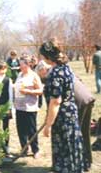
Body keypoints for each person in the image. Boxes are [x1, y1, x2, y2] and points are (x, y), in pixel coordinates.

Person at [36, 61, 95, 171]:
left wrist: (49, 121)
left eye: (40, 75)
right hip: (86, 98)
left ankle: (78, 164)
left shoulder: (53, 75)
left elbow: (53, 100)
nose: (41, 78)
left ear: (43, 69)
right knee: (83, 133)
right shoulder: (63, 70)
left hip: (77, 103)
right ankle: (86, 162)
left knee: (77, 135)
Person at [40, 41, 84, 172]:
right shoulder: (66, 67)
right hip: (71, 111)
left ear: (47, 57)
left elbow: (56, 101)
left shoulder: (55, 74)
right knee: (71, 146)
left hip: (62, 116)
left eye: (43, 56)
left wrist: (48, 125)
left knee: (64, 149)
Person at [14, 55, 43, 159]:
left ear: (28, 64)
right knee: (21, 129)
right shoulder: (20, 75)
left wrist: (28, 91)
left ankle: (35, 150)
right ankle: (24, 149)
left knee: (31, 130)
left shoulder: (34, 76)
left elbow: (40, 91)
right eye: (20, 64)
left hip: (30, 107)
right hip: (19, 107)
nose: (20, 67)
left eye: (22, 65)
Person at [0, 62, 13, 155]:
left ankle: (6, 145)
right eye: (1, 69)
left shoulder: (8, 80)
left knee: (5, 126)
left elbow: (10, 94)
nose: (2, 71)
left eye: (4, 69)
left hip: (5, 105)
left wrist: (10, 107)